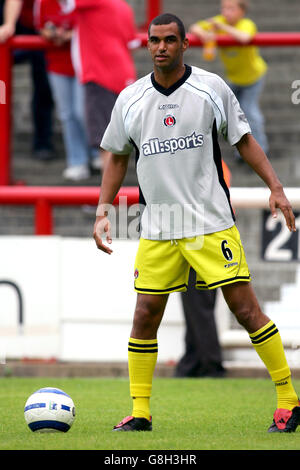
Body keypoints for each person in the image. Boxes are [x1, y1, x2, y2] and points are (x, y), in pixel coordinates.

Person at [93, 13, 299, 433]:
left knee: (245, 310)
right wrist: (103, 208)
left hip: (210, 223)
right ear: (147, 44)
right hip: (158, 227)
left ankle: (289, 400)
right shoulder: (130, 99)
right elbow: (116, 156)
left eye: (170, 40)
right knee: (145, 314)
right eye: (154, 40)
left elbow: (243, 141)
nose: (161, 47)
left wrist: (275, 188)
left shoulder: (211, 88)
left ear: (186, 44)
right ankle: (141, 412)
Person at [59, 0, 139, 173]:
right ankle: (113, 196)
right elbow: (133, 43)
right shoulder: (123, 6)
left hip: (100, 74)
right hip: (123, 73)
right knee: (115, 141)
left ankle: (109, 198)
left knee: (106, 142)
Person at [189, 0, 269, 157]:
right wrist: (204, 34)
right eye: (224, 8)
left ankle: (261, 150)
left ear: (242, 11)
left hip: (252, 78)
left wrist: (222, 28)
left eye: (231, 9)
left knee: (250, 111)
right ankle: (240, 151)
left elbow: (244, 37)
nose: (226, 12)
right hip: (233, 78)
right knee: (222, 110)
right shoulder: (219, 22)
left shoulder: (246, 24)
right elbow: (194, 27)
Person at [175, 161, 231, 379]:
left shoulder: (199, 162)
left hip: (198, 242)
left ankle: (211, 363)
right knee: (197, 307)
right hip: (210, 239)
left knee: (199, 308)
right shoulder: (215, 163)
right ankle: (192, 361)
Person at [35, 0, 90, 181]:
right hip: (57, 64)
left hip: (83, 63)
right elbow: (40, 26)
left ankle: (96, 152)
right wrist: (52, 34)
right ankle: (77, 161)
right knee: (66, 114)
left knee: (82, 112)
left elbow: (93, 24)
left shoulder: (83, 3)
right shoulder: (43, 3)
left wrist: (69, 35)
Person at [0, 0, 54, 160]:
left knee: (43, 89)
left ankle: (43, 143)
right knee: (2, 91)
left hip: (41, 29)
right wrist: (9, 24)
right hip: (14, 27)